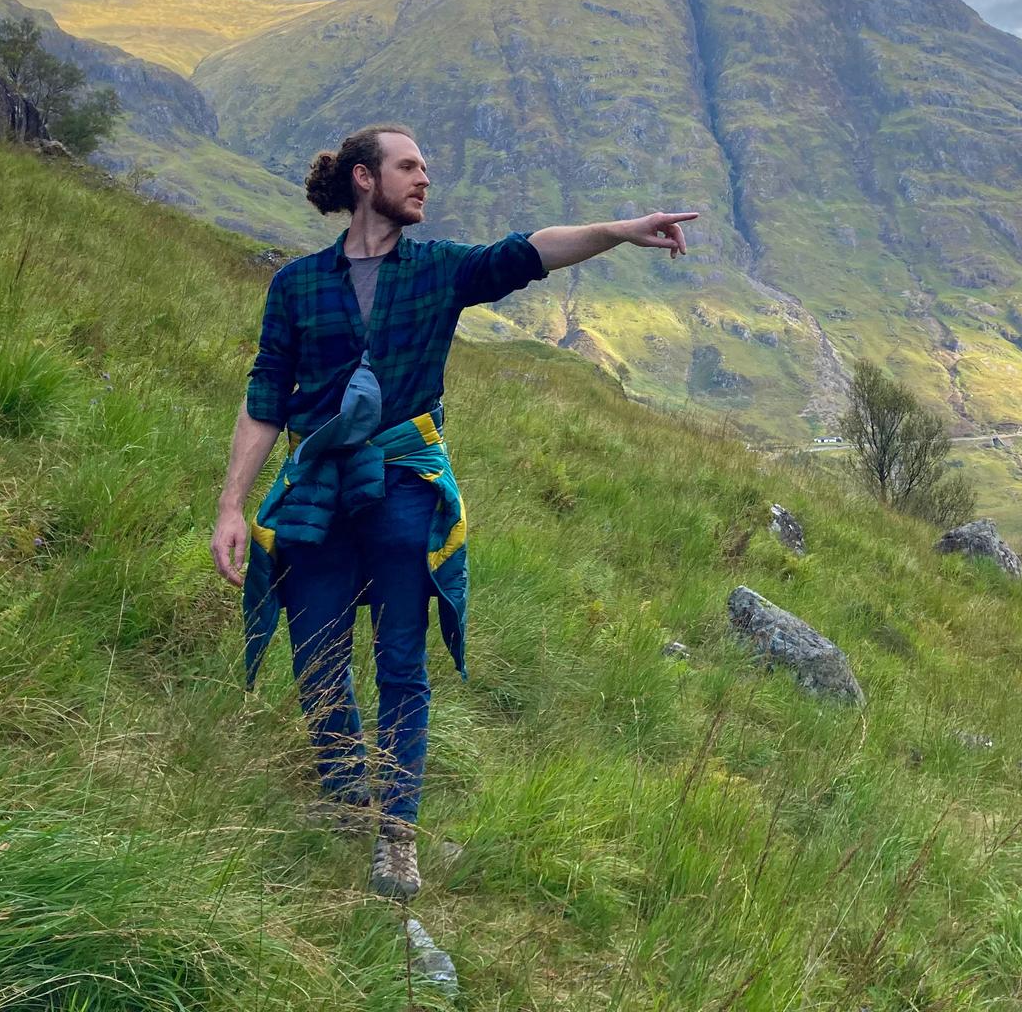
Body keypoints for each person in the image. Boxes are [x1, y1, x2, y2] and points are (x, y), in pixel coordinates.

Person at [211, 123, 698, 901]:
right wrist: (232, 505)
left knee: (401, 663)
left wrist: (618, 230)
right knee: (317, 657)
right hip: (316, 492)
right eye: (409, 166)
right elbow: (266, 397)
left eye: (426, 169)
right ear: (365, 179)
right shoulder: (297, 285)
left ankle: (396, 836)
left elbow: (527, 252)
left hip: (405, 486)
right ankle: (345, 803)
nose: (424, 179)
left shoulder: (438, 272)